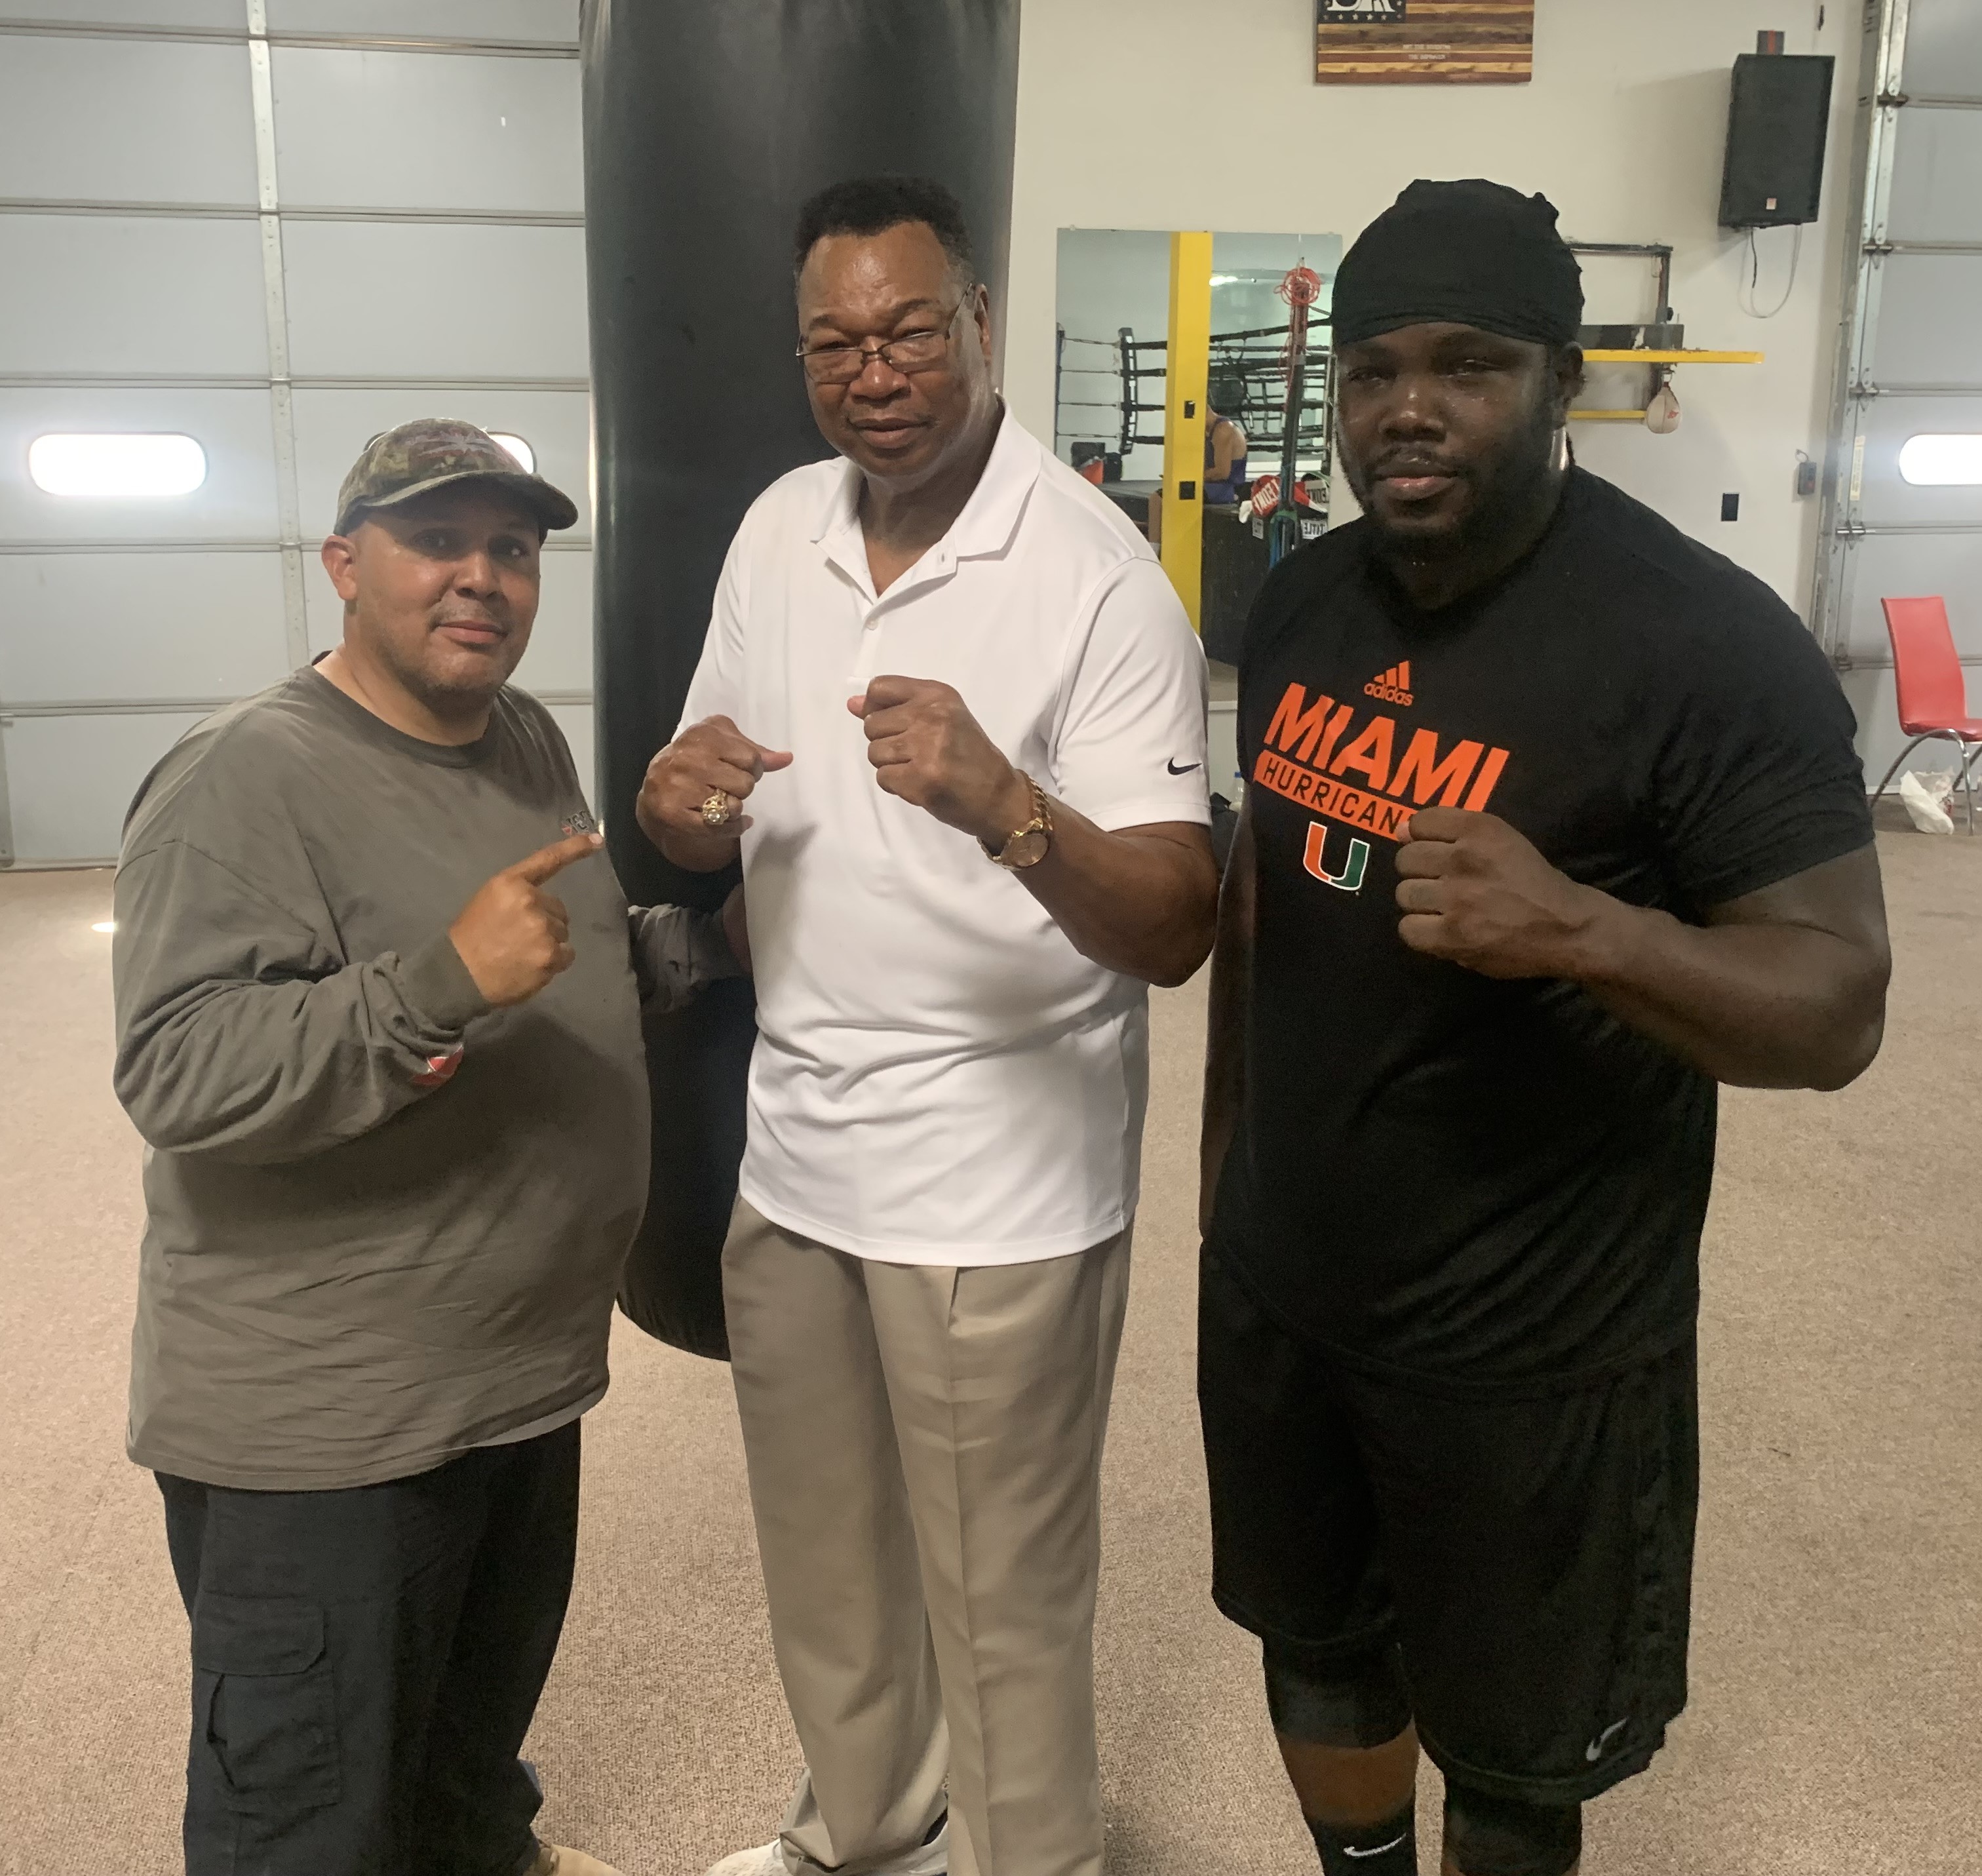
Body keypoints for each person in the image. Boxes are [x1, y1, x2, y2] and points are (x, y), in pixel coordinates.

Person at [1197, 180, 1890, 1876]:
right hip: (1291, 1287)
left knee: (1515, 1756)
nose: (1409, 408)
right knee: (1320, 1645)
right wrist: (1231, 1187)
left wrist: (1579, 926)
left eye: (1469, 364)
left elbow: (1838, 1004)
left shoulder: (1705, 646)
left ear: (1563, 380)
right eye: (1372, 369)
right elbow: (1265, 903)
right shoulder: (1302, 602)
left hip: (1537, 1336)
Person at [636, 173, 1218, 1876]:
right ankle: (866, 1834)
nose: (873, 370)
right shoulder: (776, 531)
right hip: (797, 1152)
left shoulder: (1099, 579)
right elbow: (710, 816)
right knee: (824, 1566)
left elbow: (1178, 923)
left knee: (1005, 1606)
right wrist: (676, 808)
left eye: (907, 330)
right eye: (835, 342)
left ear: (977, 320)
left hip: (999, 1184)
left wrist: (1005, 803)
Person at [113, 420, 741, 1876]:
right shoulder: (242, 780)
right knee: (311, 1823)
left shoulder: (521, 736)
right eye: (437, 543)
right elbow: (178, 1070)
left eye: (512, 551)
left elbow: (559, 951)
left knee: (464, 1772)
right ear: (345, 566)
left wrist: (700, 946)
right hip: (327, 1432)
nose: (483, 580)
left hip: (516, 1384)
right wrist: (433, 988)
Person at [1203, 371, 1251, 505]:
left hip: (1227, 489)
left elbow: (1222, 472)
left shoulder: (1223, 430)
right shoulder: (1206, 431)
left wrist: (1194, 477)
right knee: (1157, 498)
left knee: (1180, 496)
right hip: (1212, 486)